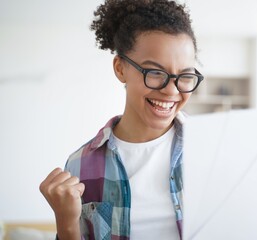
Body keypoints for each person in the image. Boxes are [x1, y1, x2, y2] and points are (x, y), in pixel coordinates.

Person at [39, 0, 203, 239]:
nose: (171, 91)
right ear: (120, 68)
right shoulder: (79, 166)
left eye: (185, 75)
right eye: (155, 72)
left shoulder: (212, 148)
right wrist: (66, 224)